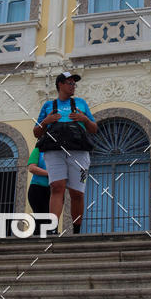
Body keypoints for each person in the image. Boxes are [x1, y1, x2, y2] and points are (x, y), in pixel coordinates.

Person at [33, 71, 97, 235]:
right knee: (57, 187)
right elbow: (36, 132)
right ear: (60, 84)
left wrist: (84, 119)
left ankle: (76, 230)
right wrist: (46, 122)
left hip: (80, 153)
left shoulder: (81, 103)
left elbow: (94, 129)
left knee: (77, 192)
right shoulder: (48, 106)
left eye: (74, 84)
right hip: (54, 152)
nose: (73, 86)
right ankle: (53, 228)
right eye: (69, 83)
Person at [27, 147, 50, 235]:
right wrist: (49, 174)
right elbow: (31, 168)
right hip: (37, 189)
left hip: (53, 190)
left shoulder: (58, 152)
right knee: (40, 220)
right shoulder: (38, 150)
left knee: (50, 220)